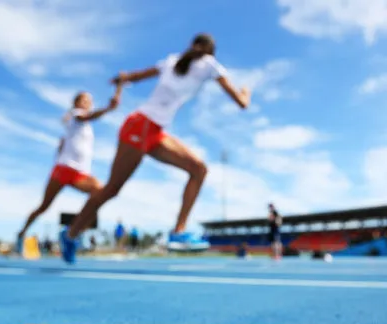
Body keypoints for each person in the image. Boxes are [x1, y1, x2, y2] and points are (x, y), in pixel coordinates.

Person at [59, 33, 251, 263]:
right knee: (111, 189)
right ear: (210, 51)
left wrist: (122, 78)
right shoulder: (207, 64)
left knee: (198, 169)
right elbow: (240, 102)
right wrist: (246, 93)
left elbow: (137, 76)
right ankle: (70, 235)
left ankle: (178, 232)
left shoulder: (171, 60)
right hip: (140, 126)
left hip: (154, 131)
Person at [16, 88, 121, 253]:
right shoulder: (76, 114)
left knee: (100, 194)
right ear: (76, 103)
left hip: (80, 173)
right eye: (84, 100)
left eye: (89, 101)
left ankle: (72, 234)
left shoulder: (81, 125)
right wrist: (108, 109)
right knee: (44, 206)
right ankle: (21, 233)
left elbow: (65, 141)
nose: (88, 103)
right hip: (64, 169)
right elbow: (86, 116)